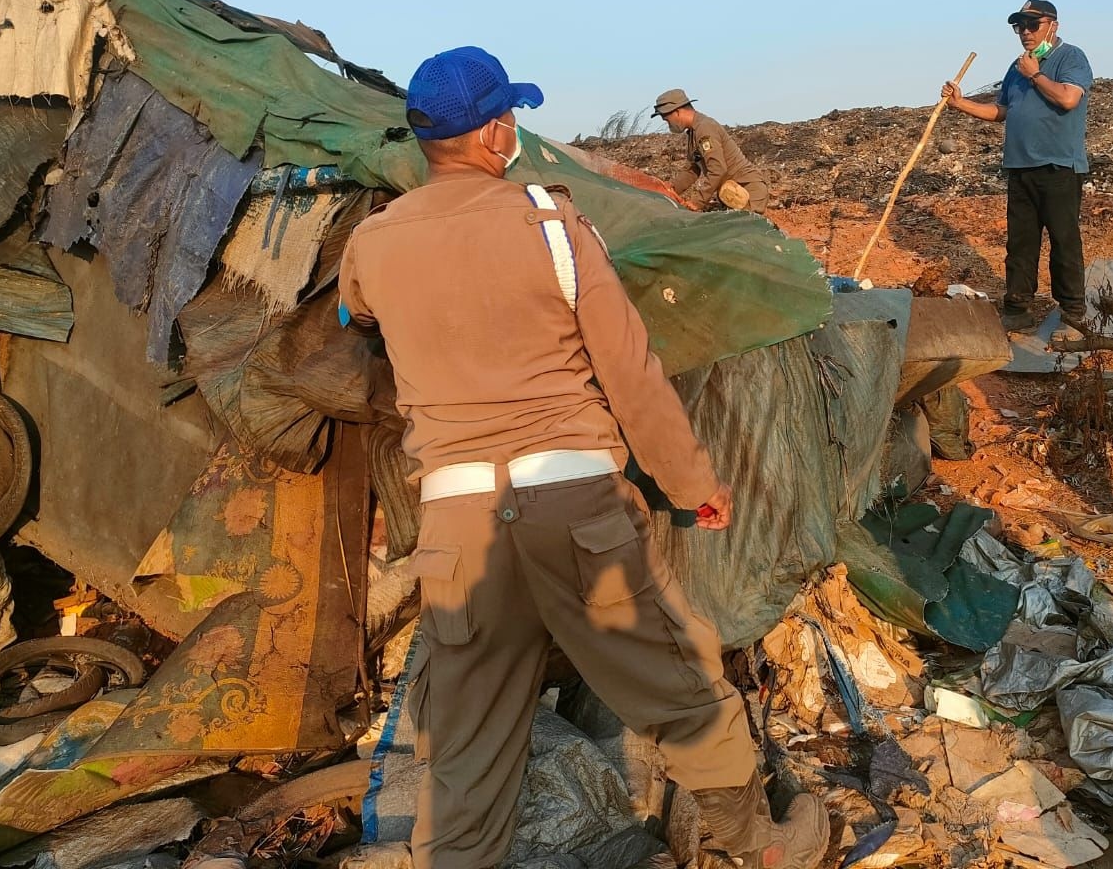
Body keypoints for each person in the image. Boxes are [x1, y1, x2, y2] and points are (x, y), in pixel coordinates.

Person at [339, 48, 829, 869]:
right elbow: (631, 375)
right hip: (575, 509)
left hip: (456, 525)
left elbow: (361, 325)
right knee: (682, 687)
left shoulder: (375, 242)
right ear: (497, 131)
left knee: (467, 741)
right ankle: (760, 847)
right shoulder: (553, 226)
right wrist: (692, 485)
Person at [941, 0, 1093, 332]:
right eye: (1019, 26)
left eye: (1031, 24)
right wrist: (960, 103)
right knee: (1021, 243)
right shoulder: (1018, 67)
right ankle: (1017, 308)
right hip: (1021, 167)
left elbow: (1068, 99)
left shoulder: (1070, 57)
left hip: (1058, 166)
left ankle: (1072, 313)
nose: (1024, 32)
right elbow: (1002, 110)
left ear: (1052, 24)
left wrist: (1036, 74)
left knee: (1063, 241)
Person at [652, 88, 770, 213]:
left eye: (667, 119)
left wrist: (698, 201)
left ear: (677, 112)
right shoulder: (694, 132)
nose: (667, 123)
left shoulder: (704, 128)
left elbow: (717, 169)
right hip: (733, 193)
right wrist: (670, 190)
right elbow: (692, 170)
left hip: (747, 192)